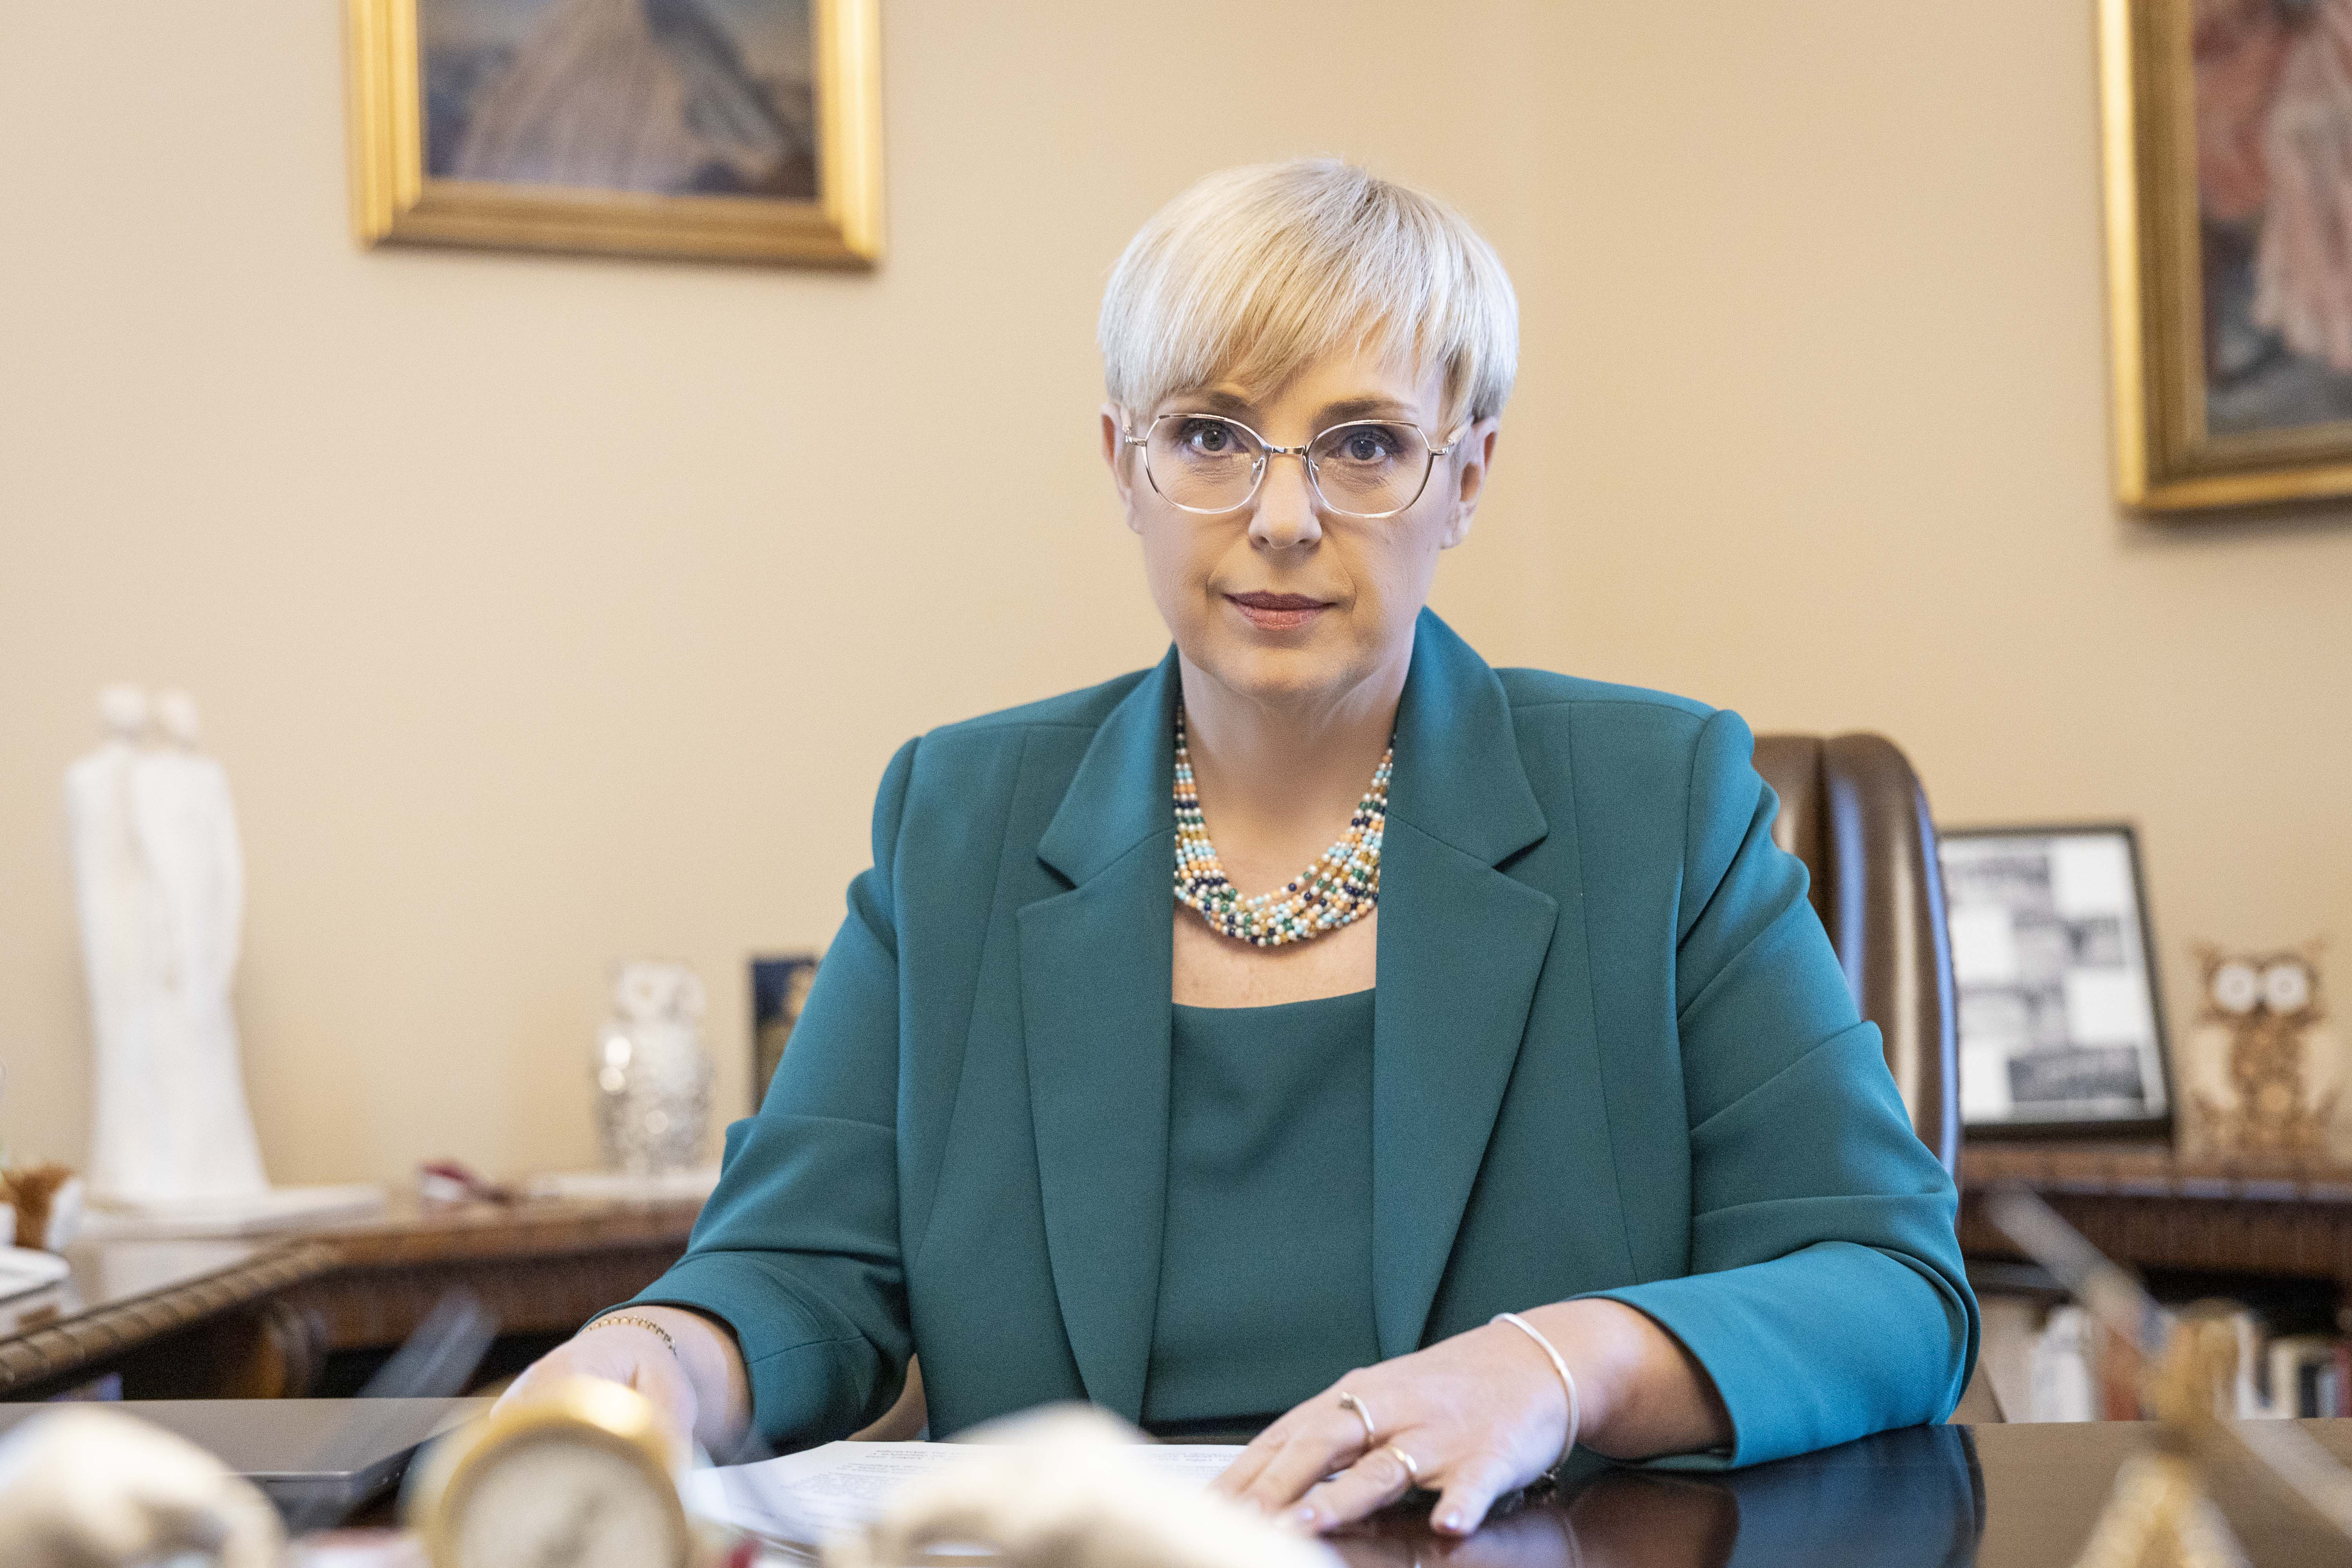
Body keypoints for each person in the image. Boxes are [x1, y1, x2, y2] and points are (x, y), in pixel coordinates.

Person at [503, 158, 1977, 1537]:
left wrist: (1557, 1365)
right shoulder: (963, 816)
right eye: (1211, 435)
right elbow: (795, 1267)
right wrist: (648, 1358)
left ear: (1466, 478)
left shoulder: (1657, 803)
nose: (1281, 516)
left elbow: (1893, 1285)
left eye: (1366, 444)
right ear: (1123, 464)